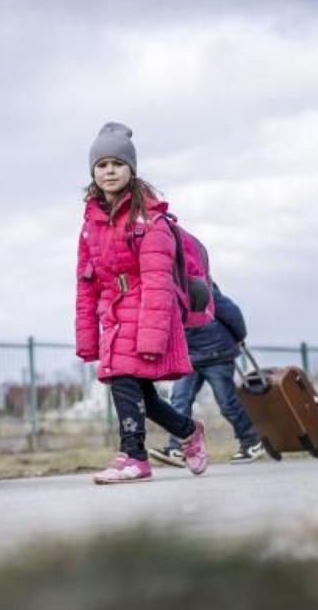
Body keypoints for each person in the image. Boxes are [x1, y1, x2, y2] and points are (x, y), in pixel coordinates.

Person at [75, 122, 209, 484]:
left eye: (117, 164)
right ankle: (188, 431)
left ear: (131, 169)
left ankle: (133, 457)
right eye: (101, 165)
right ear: (93, 172)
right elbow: (86, 284)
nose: (109, 171)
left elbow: (157, 280)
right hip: (112, 314)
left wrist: (151, 338)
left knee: (121, 378)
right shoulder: (90, 224)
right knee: (142, 396)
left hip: (146, 311)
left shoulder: (149, 220)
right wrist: (87, 338)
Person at [149, 283, 264, 465]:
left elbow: (232, 313)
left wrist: (239, 337)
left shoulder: (203, 287)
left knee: (227, 402)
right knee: (179, 400)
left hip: (216, 353)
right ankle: (177, 449)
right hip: (190, 357)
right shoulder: (166, 292)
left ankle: (252, 442)